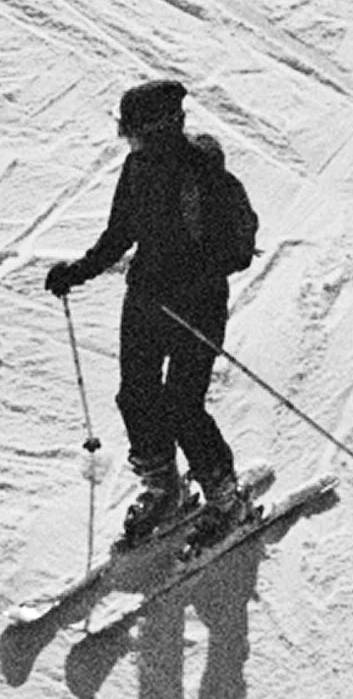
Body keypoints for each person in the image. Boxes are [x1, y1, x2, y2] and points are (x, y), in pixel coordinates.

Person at [46, 80, 256, 544]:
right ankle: (165, 488)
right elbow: (120, 232)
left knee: (183, 405)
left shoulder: (203, 177)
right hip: (144, 301)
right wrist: (78, 271)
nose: (128, 140)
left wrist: (191, 276)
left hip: (195, 309)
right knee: (136, 395)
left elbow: (237, 251)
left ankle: (226, 496)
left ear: (162, 128)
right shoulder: (137, 169)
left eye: (133, 131)